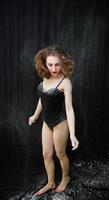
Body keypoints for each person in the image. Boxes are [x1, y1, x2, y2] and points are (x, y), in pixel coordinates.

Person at [28, 45, 79, 195]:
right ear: (45, 63)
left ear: (62, 62)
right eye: (50, 64)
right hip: (46, 122)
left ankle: (65, 178)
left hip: (59, 124)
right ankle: (50, 183)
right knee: (46, 155)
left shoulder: (65, 82)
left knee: (60, 154)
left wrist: (73, 134)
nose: (54, 68)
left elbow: (69, 109)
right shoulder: (45, 76)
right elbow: (42, 98)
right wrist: (35, 115)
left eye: (57, 64)